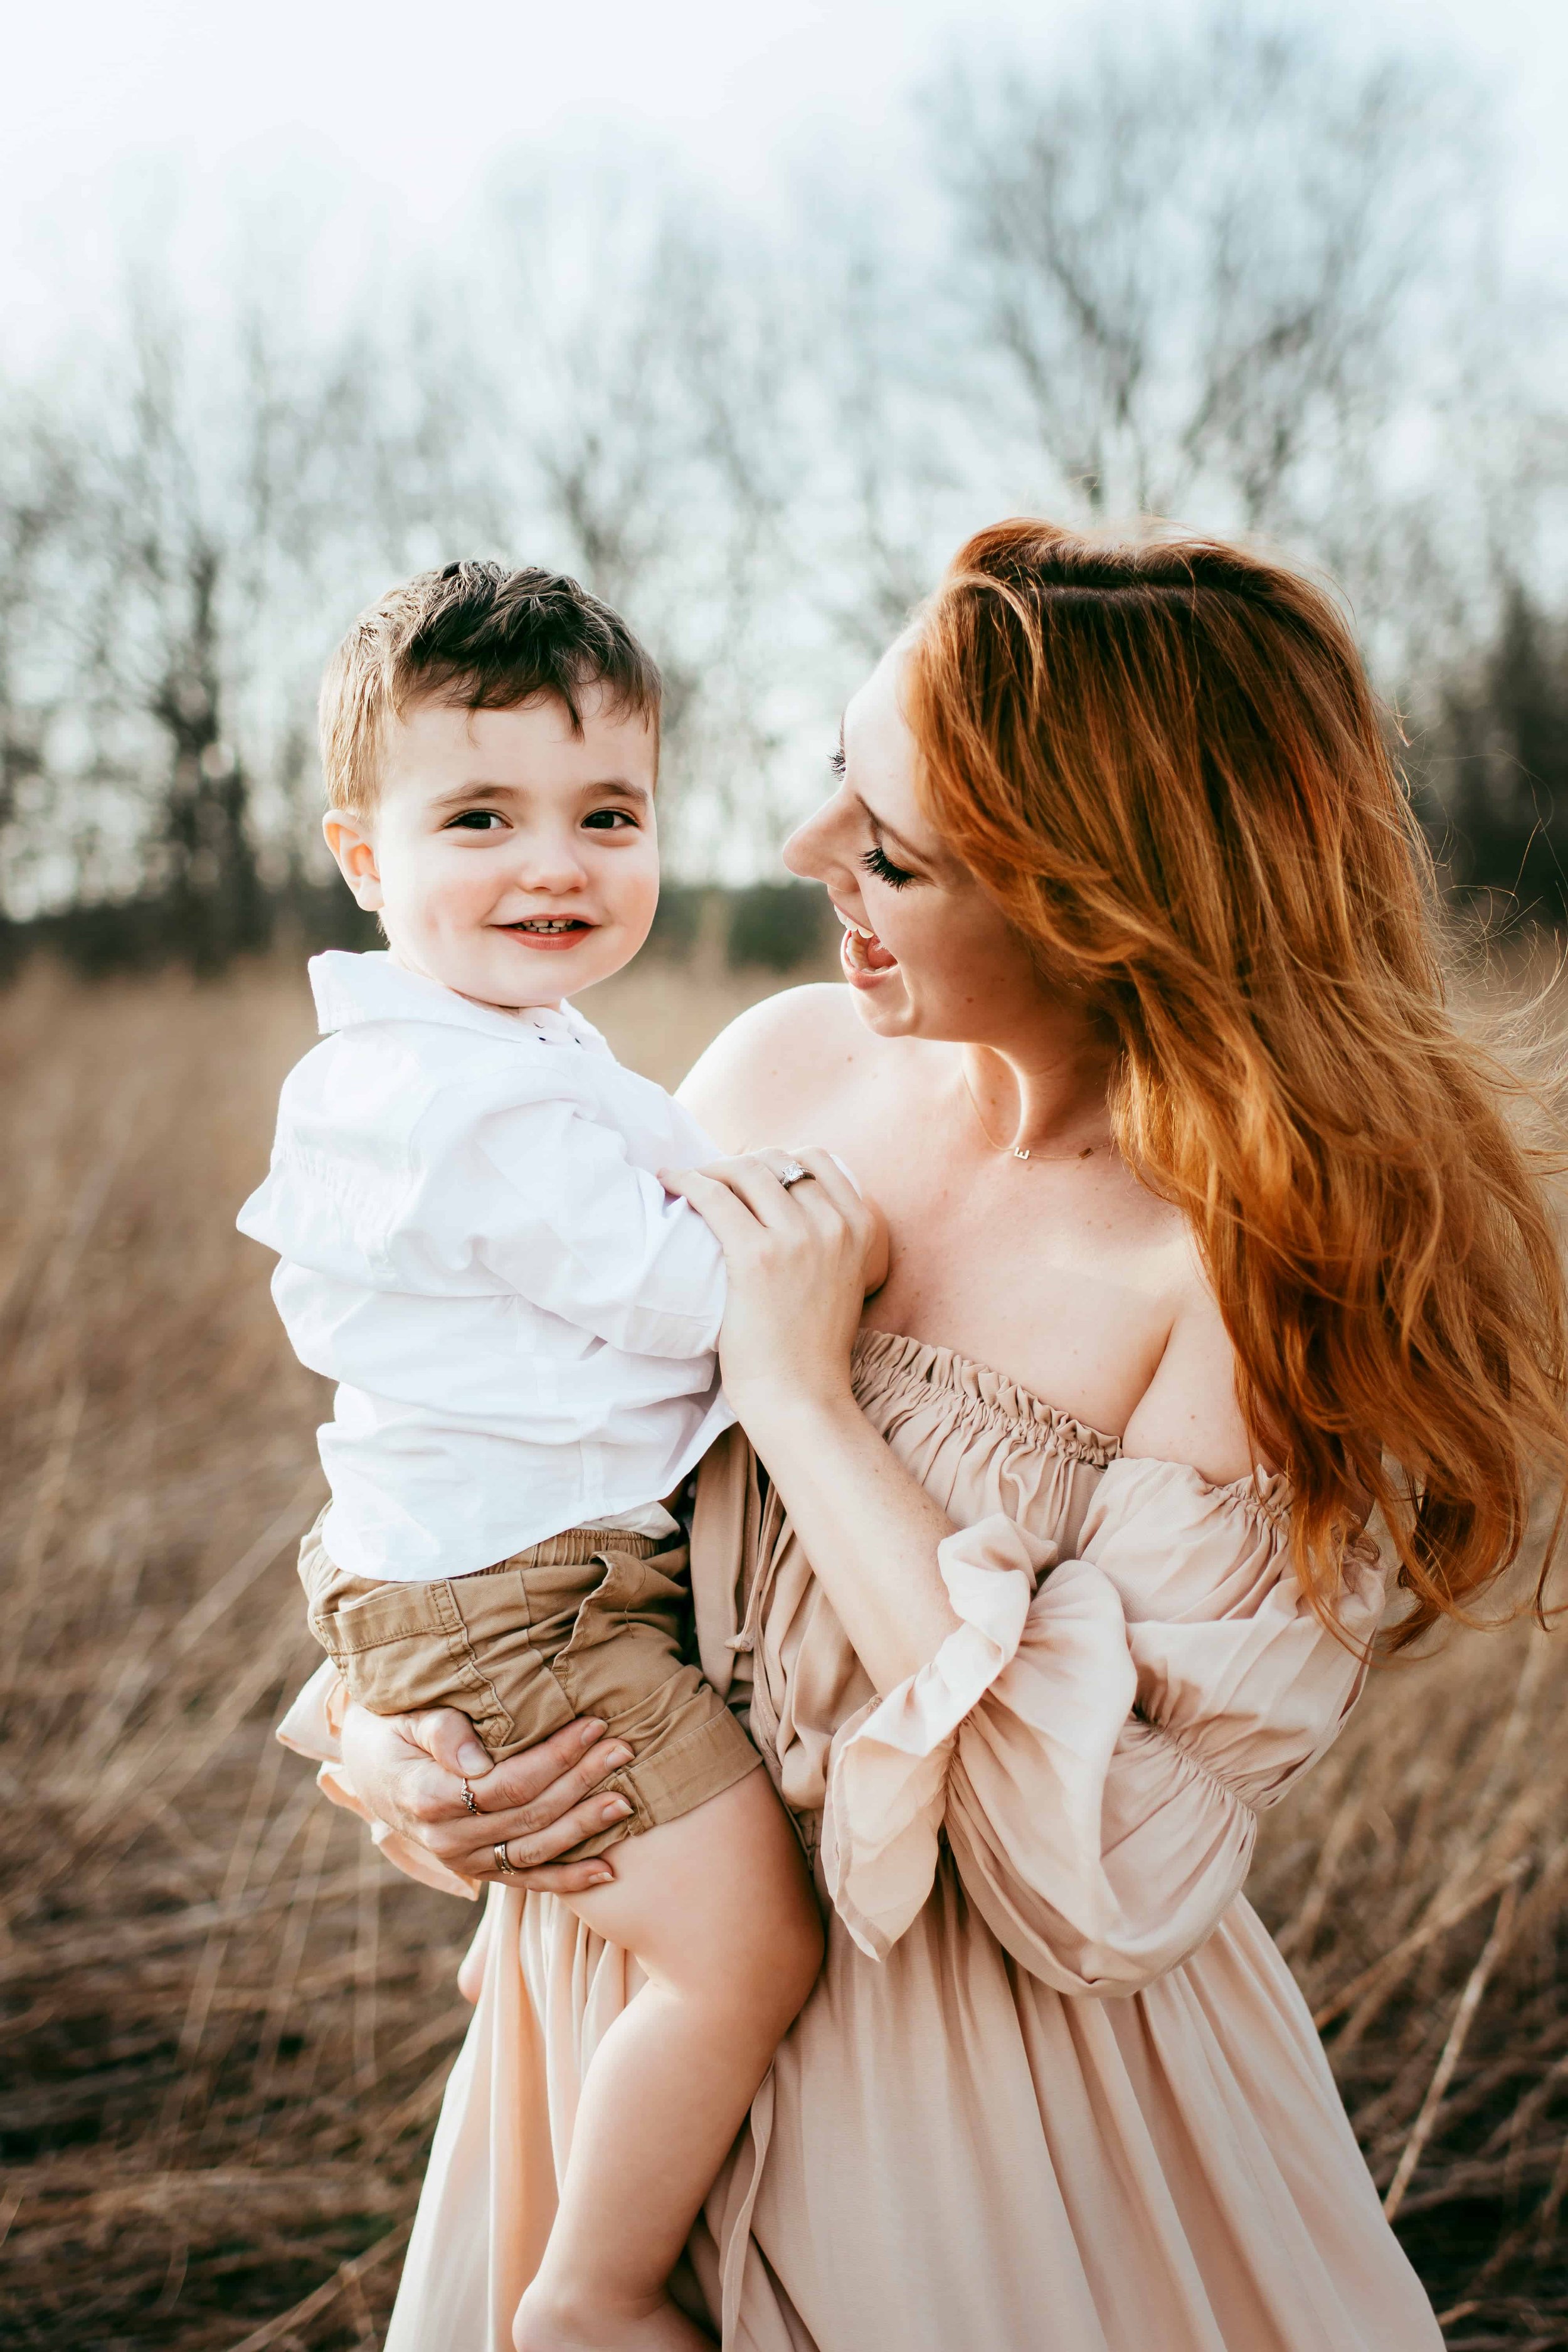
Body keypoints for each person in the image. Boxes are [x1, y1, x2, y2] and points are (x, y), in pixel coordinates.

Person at [286, 521, 1568, 2351]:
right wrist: (382, 1725)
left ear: (1100, 889)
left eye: (889, 846)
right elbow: (466, 1429)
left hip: (988, 2122)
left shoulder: (1261, 1275)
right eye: (832, 785)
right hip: (622, 2030)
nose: (810, 856)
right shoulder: (776, 1071)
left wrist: (806, 1402)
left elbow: (1112, 1874)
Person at [241, 561, 887, 2352]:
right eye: (479, 817)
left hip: (493, 1564)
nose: (557, 864)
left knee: (681, 1909)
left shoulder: (488, 1046)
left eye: (607, 813)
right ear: (363, 856)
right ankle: (590, 2296)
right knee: (748, 1953)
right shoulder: (463, 1101)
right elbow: (698, 1301)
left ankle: (542, 1957)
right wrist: (826, 1233)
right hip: (525, 1603)